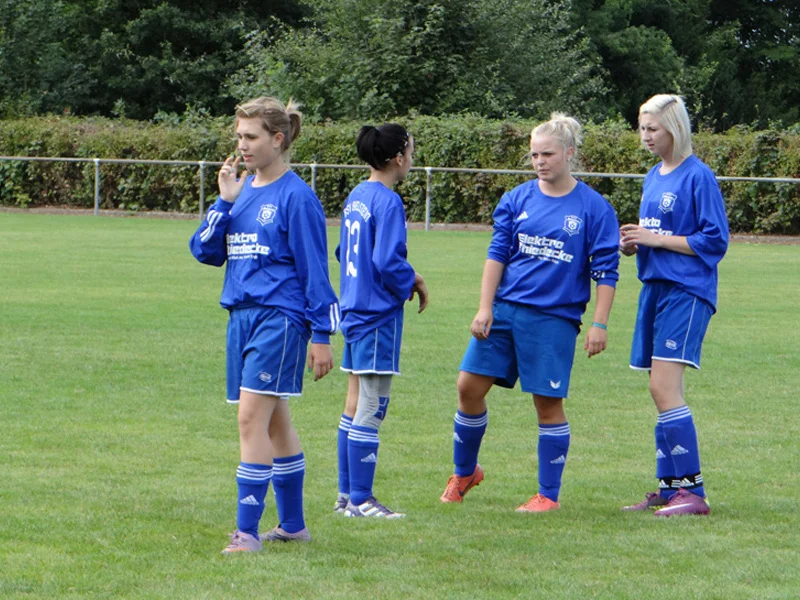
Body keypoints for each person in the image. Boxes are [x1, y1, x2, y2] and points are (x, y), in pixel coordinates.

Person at [440, 113, 620, 512]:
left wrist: (599, 323)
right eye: (534, 154)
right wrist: (485, 307)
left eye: (548, 154)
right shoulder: (517, 198)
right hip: (504, 311)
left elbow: (606, 271)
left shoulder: (594, 208)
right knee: (467, 386)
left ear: (569, 153)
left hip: (553, 319)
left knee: (547, 403)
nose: (540, 161)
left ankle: (548, 496)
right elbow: (497, 254)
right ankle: (465, 472)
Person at [189, 96, 340, 553]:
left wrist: (321, 335)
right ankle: (293, 526)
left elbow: (315, 271)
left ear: (278, 139)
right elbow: (204, 251)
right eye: (239, 136)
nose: (242, 145)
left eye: (251, 137)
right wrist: (224, 201)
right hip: (242, 317)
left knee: (250, 418)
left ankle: (247, 534)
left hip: (280, 319)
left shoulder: (297, 197)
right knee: (275, 423)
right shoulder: (242, 191)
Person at [619, 94, 728, 517]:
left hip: (687, 290)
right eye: (642, 128)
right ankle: (670, 489)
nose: (645, 136)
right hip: (655, 289)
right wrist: (635, 244)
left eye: (653, 129)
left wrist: (656, 239)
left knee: (663, 388)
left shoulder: (698, 176)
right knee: (662, 390)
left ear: (675, 129)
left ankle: (693, 494)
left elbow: (715, 241)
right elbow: (657, 235)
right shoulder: (653, 176)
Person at [333, 124, 428, 519]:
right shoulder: (389, 202)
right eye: (411, 151)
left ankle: (345, 497)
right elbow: (386, 260)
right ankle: (361, 499)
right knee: (372, 405)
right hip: (376, 315)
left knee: (354, 403)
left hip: (353, 309)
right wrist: (412, 279)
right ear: (398, 157)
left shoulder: (357, 194)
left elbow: (343, 251)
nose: (412, 159)